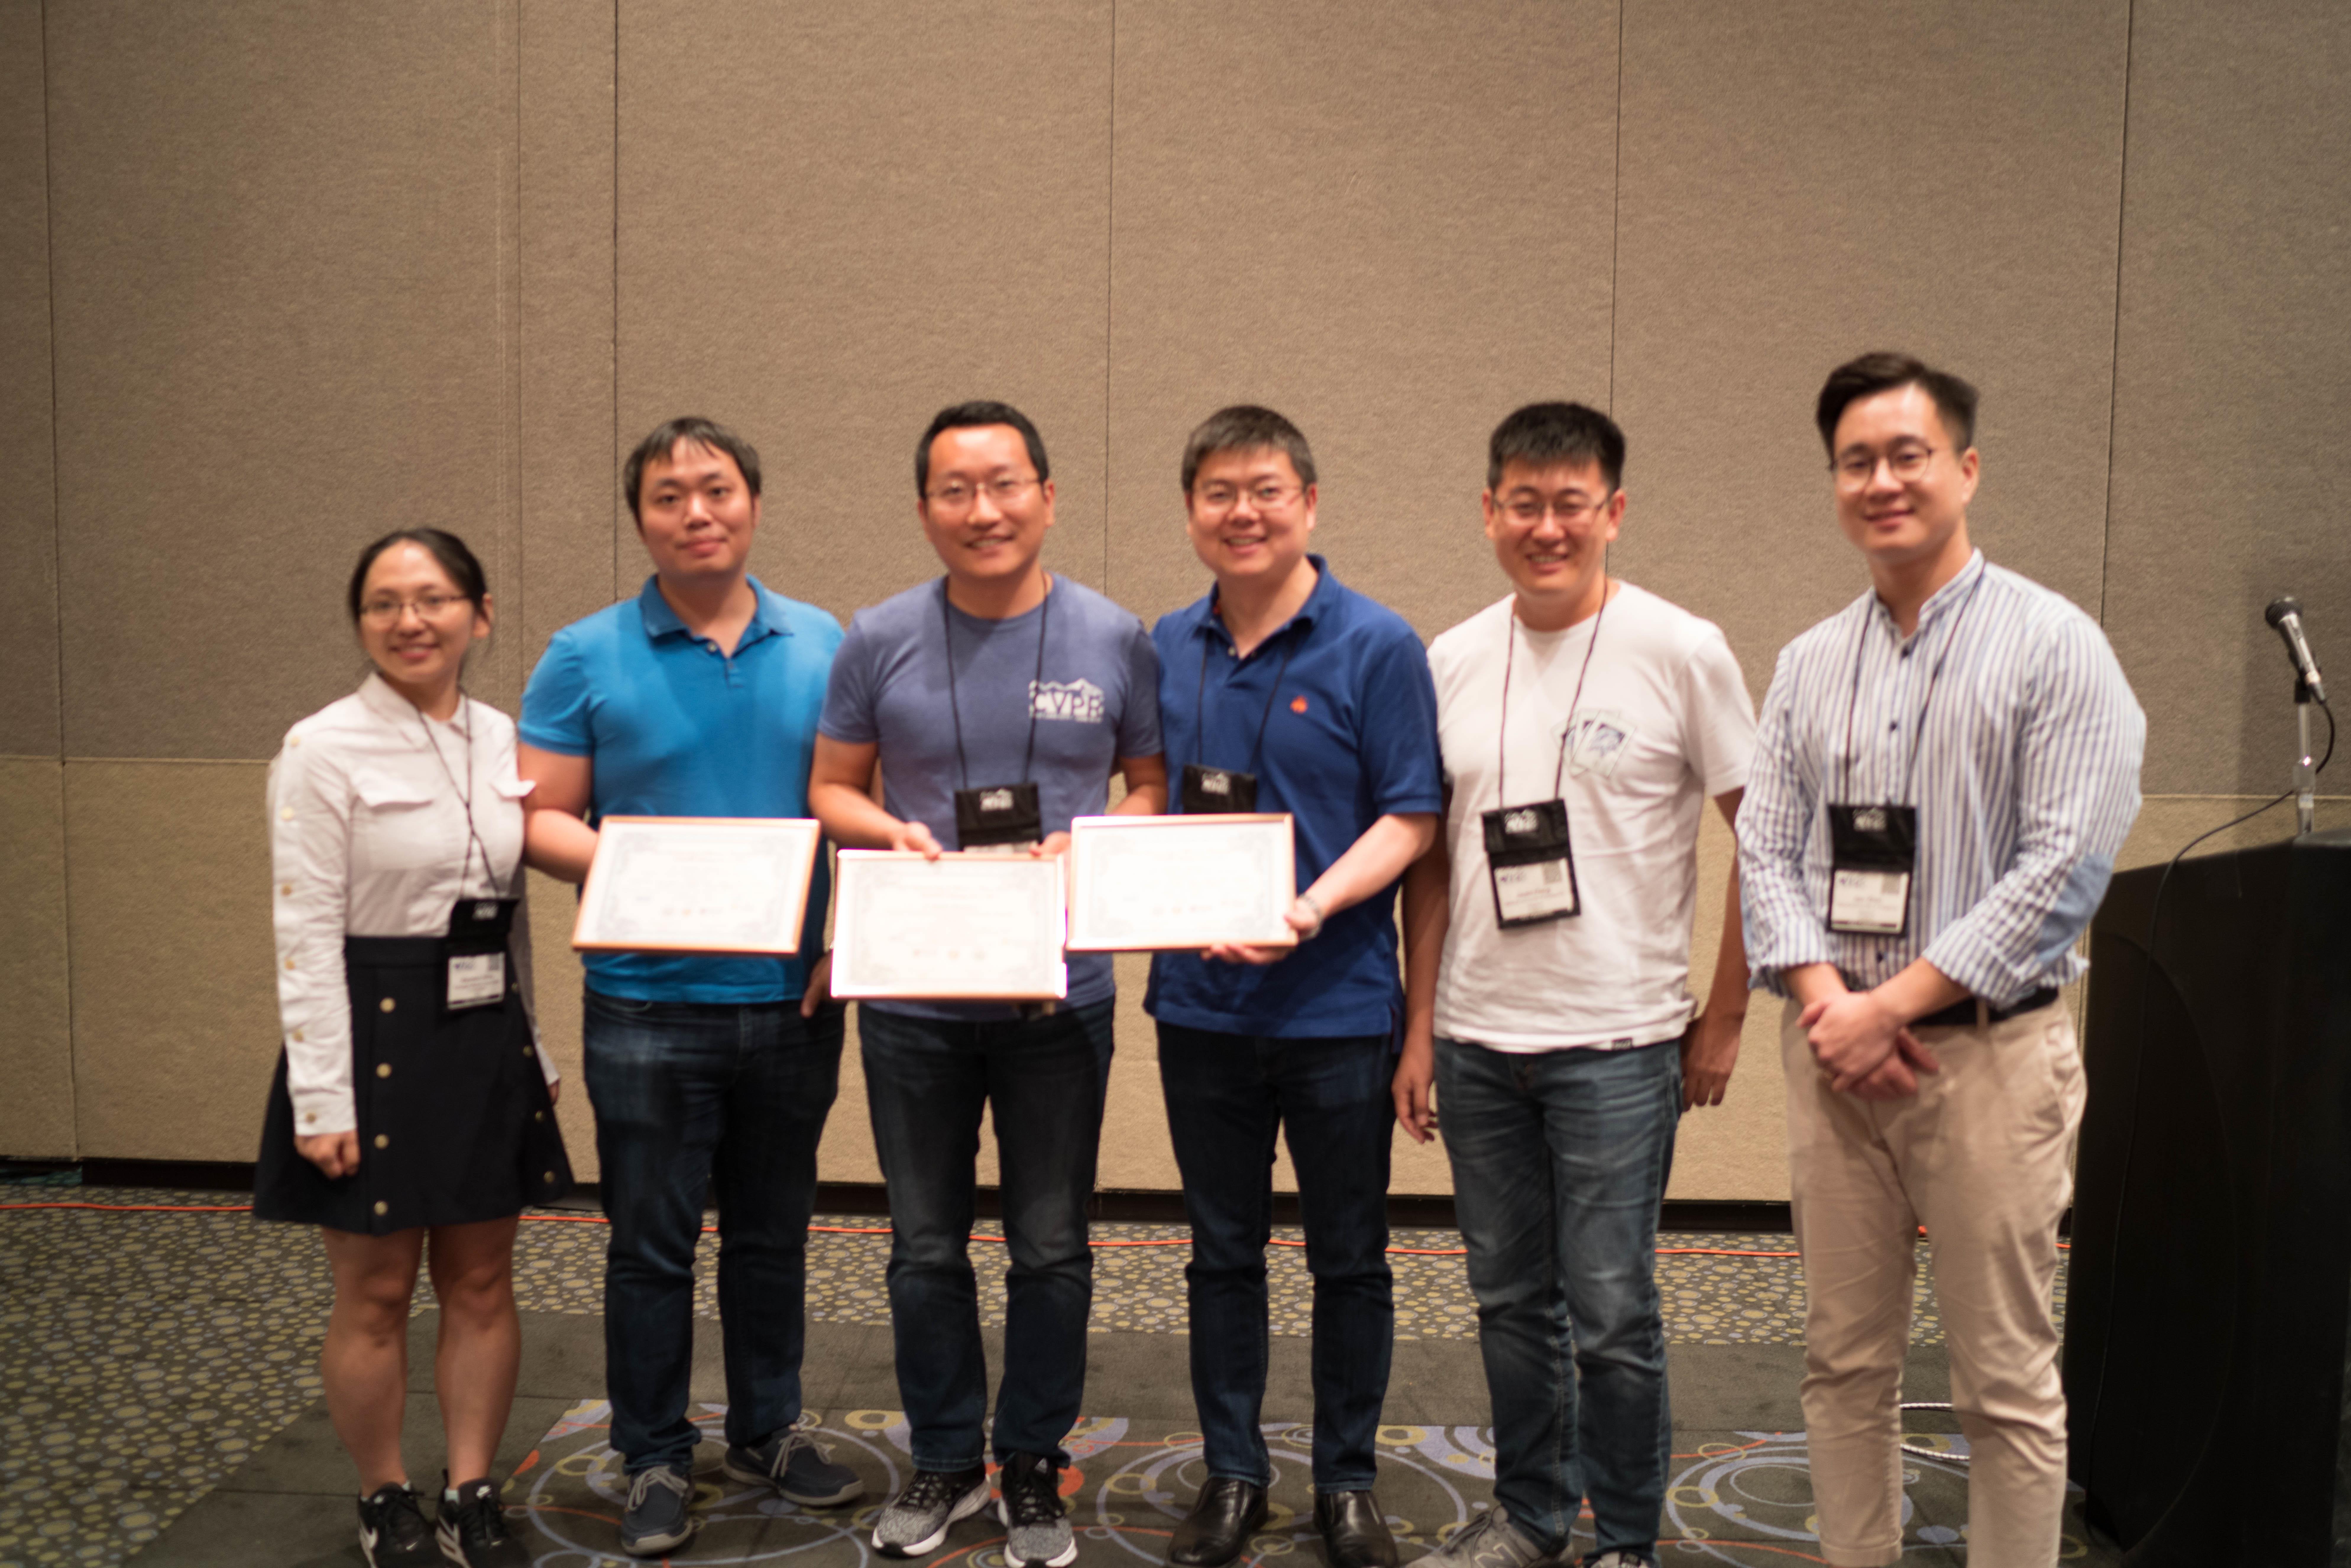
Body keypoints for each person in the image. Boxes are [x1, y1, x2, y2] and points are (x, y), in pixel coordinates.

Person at [1739, 353, 2144, 1567]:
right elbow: (1762, 852)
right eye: (1855, 461)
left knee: (2002, 1382)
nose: (1880, 481)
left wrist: (1892, 1006)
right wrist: (1827, 1006)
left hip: (1987, 1061)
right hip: (1831, 1064)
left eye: (1906, 456)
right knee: (1841, 1363)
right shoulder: (1809, 662)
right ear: (1832, 484)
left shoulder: (2054, 645)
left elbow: (2064, 863)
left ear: (1963, 469)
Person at [1393, 403, 1756, 1568]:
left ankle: (1629, 1538)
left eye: (1570, 504)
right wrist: (1418, 1029)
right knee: (1507, 1305)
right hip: (1477, 1039)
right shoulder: (1448, 658)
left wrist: (1726, 1014)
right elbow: (1436, 863)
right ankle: (1531, 1517)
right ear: (1488, 511)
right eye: (1522, 503)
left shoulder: (1680, 649)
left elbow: (1767, 837)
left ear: (1613, 511)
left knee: (1610, 1313)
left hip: (1621, 1045)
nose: (1545, 528)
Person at [807, 400, 1166, 1568]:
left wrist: (1097, 840)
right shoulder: (878, 636)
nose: (983, 510)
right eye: (955, 490)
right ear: (924, 511)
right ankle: (948, 1457)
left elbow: (1151, 784)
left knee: (1052, 1245)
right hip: (914, 992)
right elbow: (833, 788)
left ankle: (1030, 1462)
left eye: (1004, 484)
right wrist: (894, 838)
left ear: (1047, 497)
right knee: (922, 1245)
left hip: (1060, 997)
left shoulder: (1114, 636)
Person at [517, 417, 860, 1557]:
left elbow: (856, 814)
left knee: (774, 1236)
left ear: (754, 503)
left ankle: (767, 1428)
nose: (696, 512)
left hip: (791, 1002)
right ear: (642, 520)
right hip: (645, 1001)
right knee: (649, 1244)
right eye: (671, 497)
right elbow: (541, 818)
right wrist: (646, 871)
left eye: (716, 490)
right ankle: (654, 1453)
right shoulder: (583, 653)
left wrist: (841, 939)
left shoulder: (825, 642)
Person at [1143, 405, 1440, 1568]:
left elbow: (1411, 817)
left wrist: (1307, 910)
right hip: (1198, 1012)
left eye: (1265, 489)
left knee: (1348, 1257)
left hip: (1335, 1008)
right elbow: (1139, 804)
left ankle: (1348, 1479)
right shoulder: (1160, 646)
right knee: (1220, 1252)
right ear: (1190, 515)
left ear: (1309, 503)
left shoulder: (1376, 645)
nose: (1243, 512)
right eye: (1218, 492)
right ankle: (1231, 1472)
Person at [256, 528, 572, 1568]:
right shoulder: (321, 745)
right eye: (385, 603)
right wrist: (321, 1098)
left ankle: (471, 1484)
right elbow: (303, 933)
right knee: (378, 1290)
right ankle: (384, 1493)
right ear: (363, 624)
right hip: (371, 1028)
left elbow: (508, 910)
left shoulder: (502, 737)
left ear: (479, 615)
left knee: (482, 1282)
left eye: (433, 599)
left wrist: (534, 1049)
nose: (409, 621)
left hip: (481, 1033)